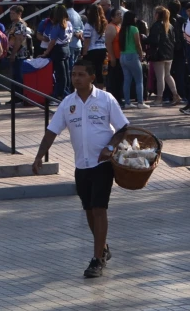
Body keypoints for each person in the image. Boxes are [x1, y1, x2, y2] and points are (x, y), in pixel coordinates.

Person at [32, 62, 128, 278]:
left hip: (102, 164)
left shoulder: (106, 99)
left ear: (92, 77)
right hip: (80, 166)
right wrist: (39, 156)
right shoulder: (67, 103)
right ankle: (103, 247)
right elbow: (51, 132)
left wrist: (110, 147)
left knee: (99, 208)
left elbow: (123, 128)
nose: (77, 79)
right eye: (74, 75)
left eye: (82, 75)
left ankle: (97, 260)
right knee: (88, 210)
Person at [146, 6, 179, 106]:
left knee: (160, 77)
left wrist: (145, 39)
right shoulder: (170, 25)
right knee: (168, 75)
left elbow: (154, 40)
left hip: (159, 54)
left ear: (157, 15)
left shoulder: (156, 26)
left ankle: (159, 98)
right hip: (169, 54)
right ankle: (176, 95)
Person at [119, 12, 147, 108]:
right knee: (139, 80)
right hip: (132, 55)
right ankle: (140, 102)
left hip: (123, 55)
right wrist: (141, 54)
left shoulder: (122, 29)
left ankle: (127, 102)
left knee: (127, 80)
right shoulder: (134, 28)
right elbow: (138, 43)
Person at [80, 4, 109, 90]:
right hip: (102, 49)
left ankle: (91, 89)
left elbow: (87, 40)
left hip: (92, 50)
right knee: (99, 70)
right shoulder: (104, 24)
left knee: (90, 71)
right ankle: (100, 90)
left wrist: (84, 53)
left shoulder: (88, 25)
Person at [5, 6, 31, 99]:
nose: (11, 15)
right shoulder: (13, 24)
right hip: (12, 53)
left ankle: (19, 97)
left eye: (13, 13)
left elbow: (18, 40)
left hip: (19, 55)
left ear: (19, 14)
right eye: (10, 13)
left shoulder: (20, 25)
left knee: (18, 76)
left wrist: (13, 54)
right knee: (14, 76)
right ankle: (15, 96)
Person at [63, 0, 84, 94]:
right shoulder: (77, 14)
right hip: (78, 44)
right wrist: (79, 33)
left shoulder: (66, 15)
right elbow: (82, 28)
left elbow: (67, 29)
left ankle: (70, 90)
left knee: (70, 69)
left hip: (70, 44)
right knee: (74, 67)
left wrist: (75, 33)